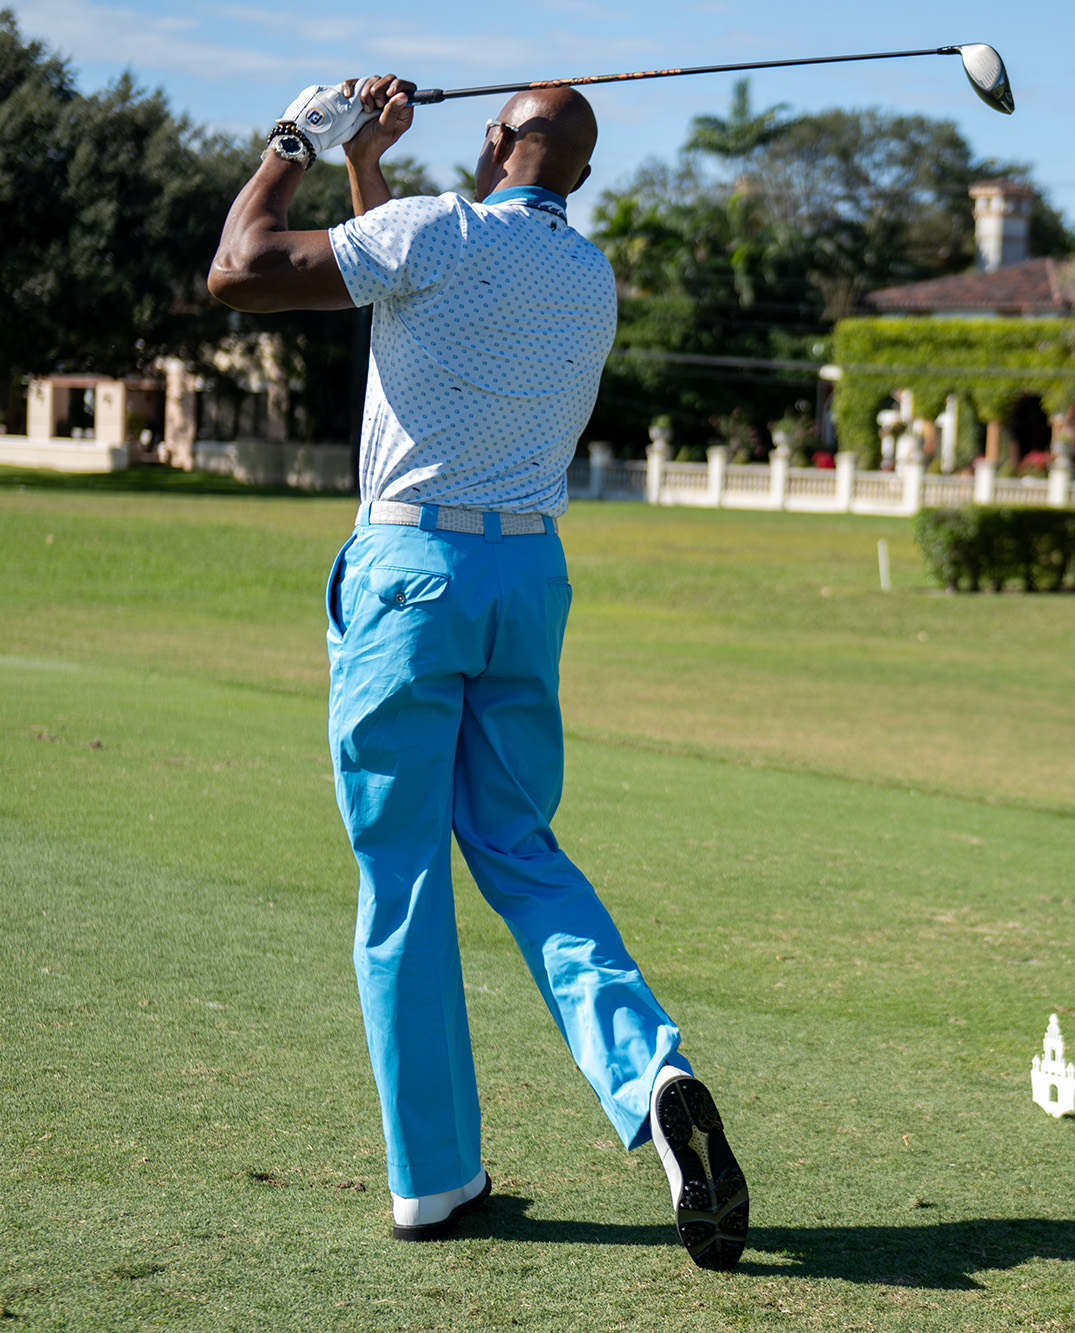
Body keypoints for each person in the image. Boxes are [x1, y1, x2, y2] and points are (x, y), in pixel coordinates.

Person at [207, 75, 749, 1270]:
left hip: (409, 578)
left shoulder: (434, 232)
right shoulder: (587, 274)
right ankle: (653, 1073)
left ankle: (434, 1178)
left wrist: (301, 136)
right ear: (581, 176)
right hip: (525, 583)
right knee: (519, 851)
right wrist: (370, 164)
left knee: (402, 879)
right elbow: (413, 292)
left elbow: (238, 269)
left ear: (497, 139)